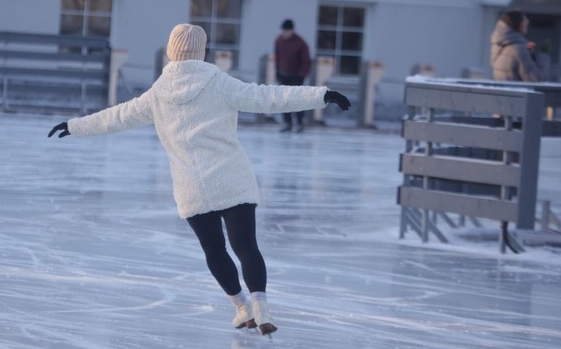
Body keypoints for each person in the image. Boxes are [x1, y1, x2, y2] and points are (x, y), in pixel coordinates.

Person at [48, 24, 351, 337]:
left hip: (192, 186)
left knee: (214, 250)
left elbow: (117, 117)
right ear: (202, 52)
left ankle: (241, 308)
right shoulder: (219, 83)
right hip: (232, 179)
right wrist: (321, 95)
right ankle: (261, 307)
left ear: (170, 51)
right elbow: (269, 97)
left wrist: (76, 126)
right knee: (246, 247)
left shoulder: (158, 93)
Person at [274, 19, 312, 132]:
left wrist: (302, 75)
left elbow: (306, 61)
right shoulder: (279, 41)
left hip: (296, 76)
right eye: (283, 31)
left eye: (287, 31)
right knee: (284, 101)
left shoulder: (300, 43)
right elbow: (277, 57)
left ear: (292, 30)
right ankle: (287, 122)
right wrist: (277, 71)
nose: (285, 33)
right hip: (284, 74)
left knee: (297, 100)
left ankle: (299, 122)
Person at [490, 10, 549, 82]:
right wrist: (544, 55)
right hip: (517, 92)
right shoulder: (519, 48)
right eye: (525, 23)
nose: (527, 25)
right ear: (519, 26)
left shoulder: (499, 45)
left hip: (502, 91)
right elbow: (534, 79)